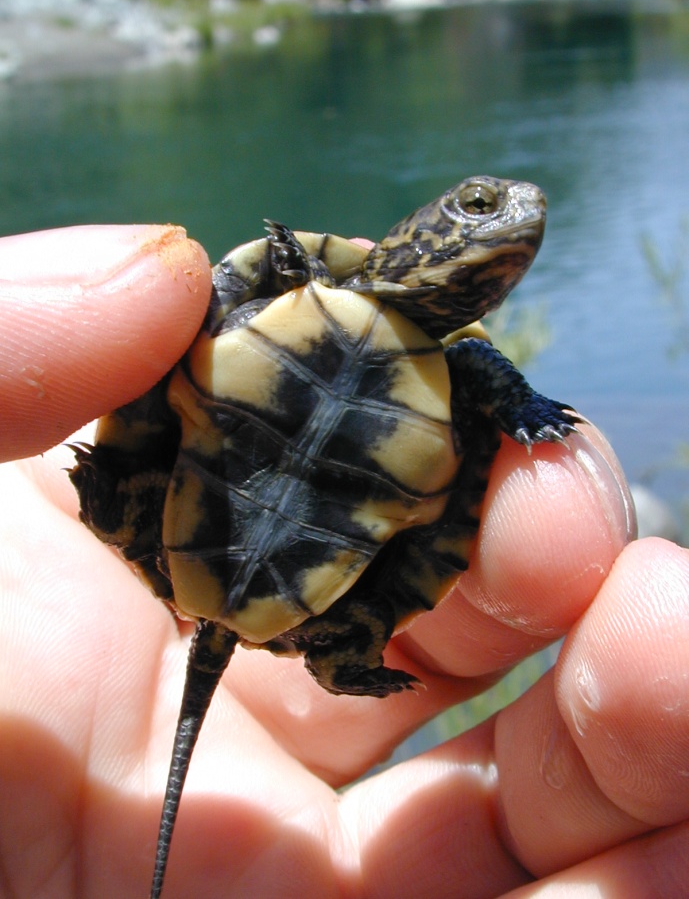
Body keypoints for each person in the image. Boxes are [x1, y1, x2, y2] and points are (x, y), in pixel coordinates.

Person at [0, 224, 687, 898]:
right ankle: (339, 657)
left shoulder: (439, 353)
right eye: (477, 206)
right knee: (363, 614)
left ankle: (337, 656)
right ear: (420, 231)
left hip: (211, 534)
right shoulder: (439, 358)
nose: (515, 215)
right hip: (304, 564)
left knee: (121, 497)